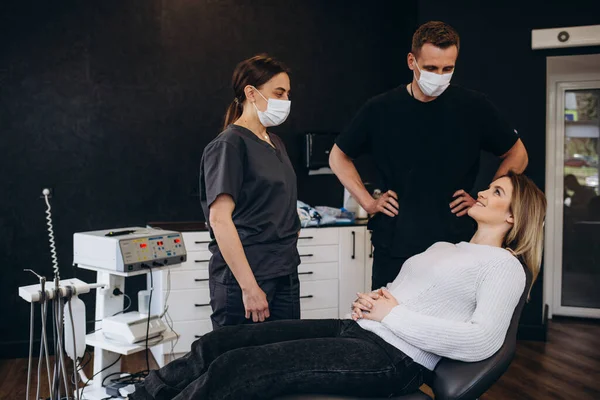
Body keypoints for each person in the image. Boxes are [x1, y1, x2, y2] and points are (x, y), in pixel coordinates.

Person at [131, 173, 546, 400]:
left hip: (394, 358)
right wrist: (374, 301)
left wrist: (391, 314)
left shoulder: (504, 266)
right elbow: (407, 294)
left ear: (513, 217)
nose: (482, 192)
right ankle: (142, 397)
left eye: (496, 192)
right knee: (224, 342)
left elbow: (482, 341)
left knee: (237, 370)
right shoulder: (444, 246)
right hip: (360, 330)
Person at [329, 21, 529, 290]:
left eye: (448, 69)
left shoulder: (474, 107)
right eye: (431, 68)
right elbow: (338, 157)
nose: (440, 75)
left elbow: (518, 154)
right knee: (383, 322)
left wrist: (483, 197)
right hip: (396, 242)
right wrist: (368, 203)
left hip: (455, 242)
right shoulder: (380, 109)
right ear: (412, 61)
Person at [199, 54, 301, 328]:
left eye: (288, 94)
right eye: (278, 93)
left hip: (284, 269)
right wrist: (249, 288)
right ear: (251, 93)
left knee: (286, 357)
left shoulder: (275, 143)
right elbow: (220, 220)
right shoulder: (229, 145)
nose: (285, 101)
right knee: (240, 363)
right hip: (248, 276)